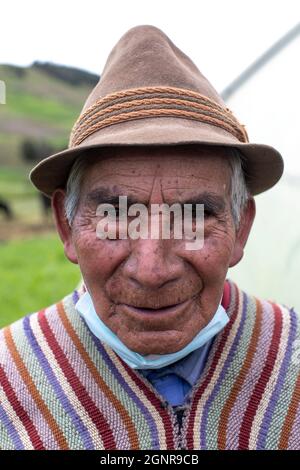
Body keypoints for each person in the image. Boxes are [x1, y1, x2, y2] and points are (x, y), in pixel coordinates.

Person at [0, 25, 299, 450]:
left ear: (240, 228)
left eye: (193, 218)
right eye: (117, 217)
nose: (152, 271)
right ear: (66, 227)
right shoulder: (8, 380)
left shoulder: (292, 357)